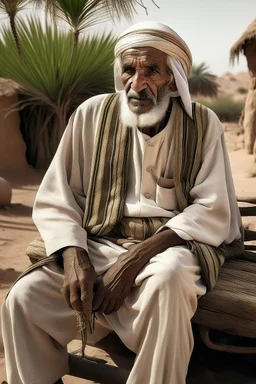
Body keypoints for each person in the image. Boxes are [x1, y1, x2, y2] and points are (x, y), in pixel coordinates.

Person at [1, 21, 243, 384]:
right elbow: (58, 197)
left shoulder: (202, 124)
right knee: (23, 298)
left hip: (171, 246)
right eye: (129, 69)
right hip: (99, 240)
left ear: (174, 78)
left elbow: (213, 207)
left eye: (151, 71)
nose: (136, 83)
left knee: (169, 281)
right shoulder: (91, 115)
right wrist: (73, 254)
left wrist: (135, 257)